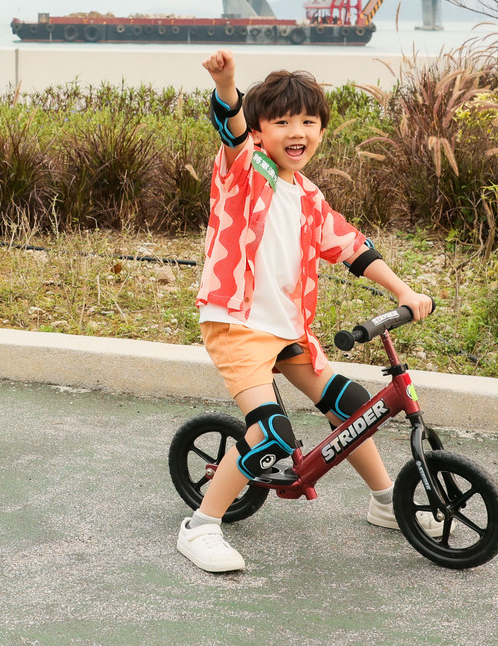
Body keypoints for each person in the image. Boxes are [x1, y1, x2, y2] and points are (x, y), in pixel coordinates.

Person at [176, 57, 439, 574]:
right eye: (282, 122)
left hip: (289, 330)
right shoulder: (243, 170)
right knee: (269, 433)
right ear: (259, 130)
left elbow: (352, 248)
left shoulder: (310, 197)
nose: (297, 132)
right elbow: (229, 126)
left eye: (308, 123)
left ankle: (386, 500)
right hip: (238, 325)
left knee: (356, 405)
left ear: (321, 129)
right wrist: (227, 85)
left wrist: (406, 291)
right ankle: (201, 525)